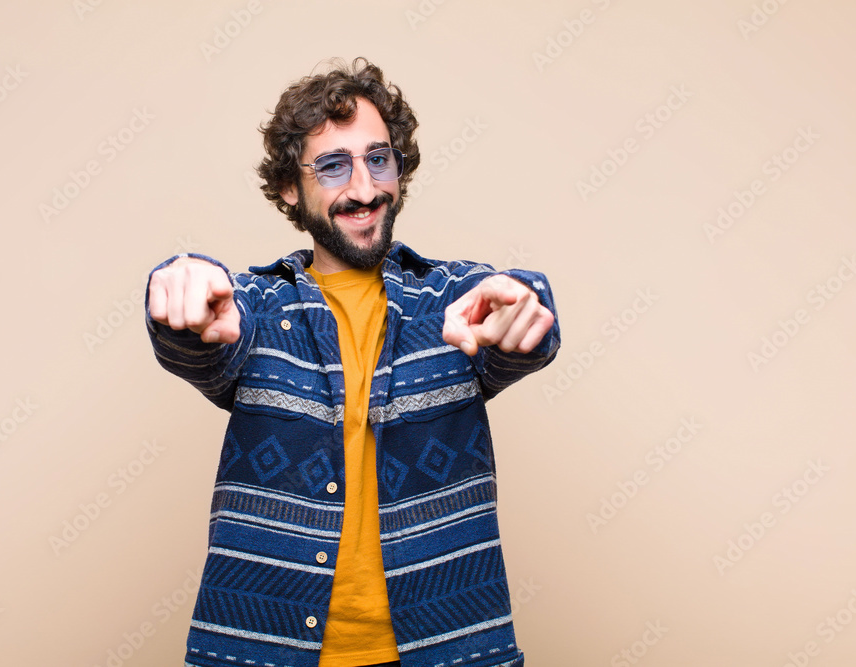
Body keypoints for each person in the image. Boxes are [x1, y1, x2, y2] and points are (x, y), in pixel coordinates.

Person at [145, 57, 560, 667]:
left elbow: (520, 315)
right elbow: (200, 340)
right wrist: (180, 291)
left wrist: (527, 308)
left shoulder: (451, 300)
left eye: (378, 158)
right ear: (291, 186)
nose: (364, 190)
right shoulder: (256, 307)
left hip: (445, 647)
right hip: (267, 648)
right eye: (334, 166)